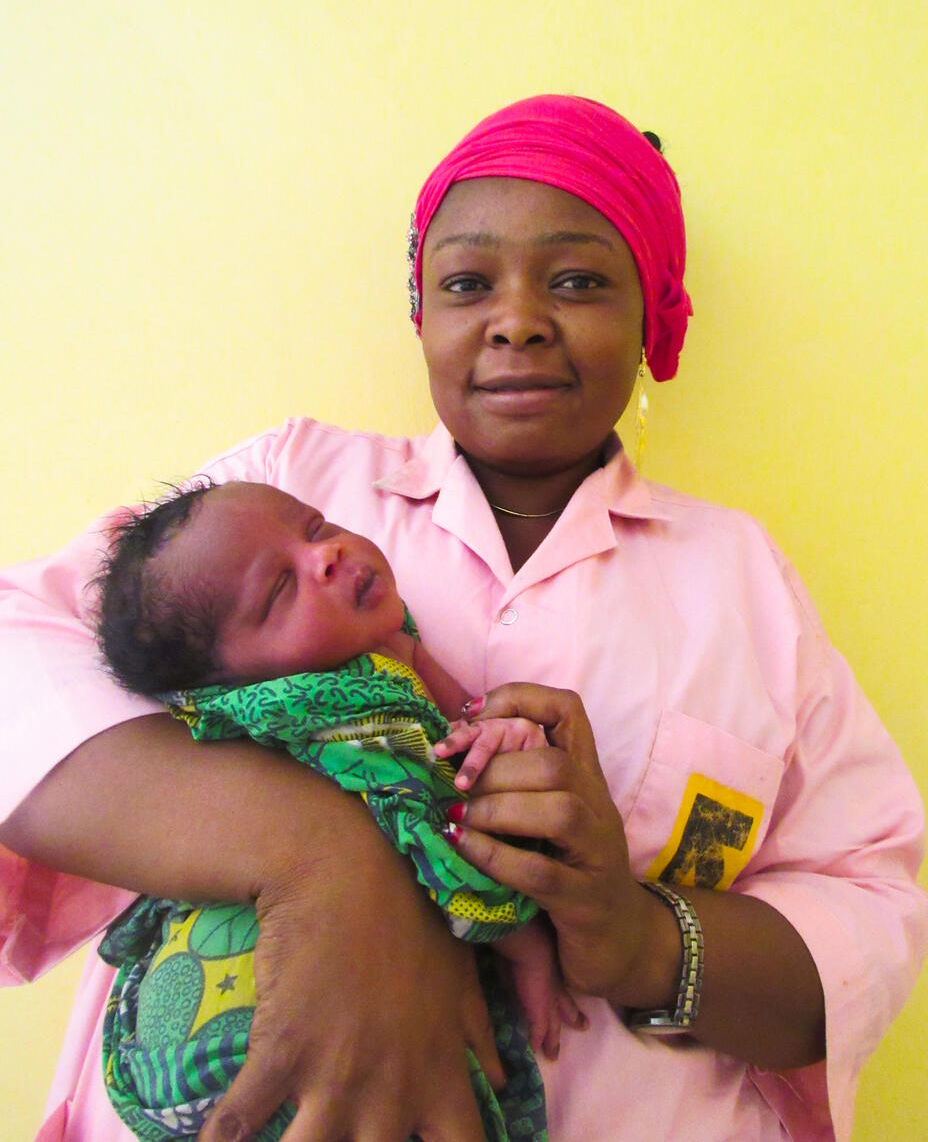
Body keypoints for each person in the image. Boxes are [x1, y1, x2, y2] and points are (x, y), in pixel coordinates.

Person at [0, 94, 925, 1142]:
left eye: (578, 280)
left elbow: (867, 910)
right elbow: (18, 658)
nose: (518, 317)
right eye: (466, 282)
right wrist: (317, 855)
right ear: (420, 315)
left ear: (654, 315)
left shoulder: (742, 580)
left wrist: (634, 937)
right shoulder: (282, 486)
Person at [93, 479, 581, 1142]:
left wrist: (498, 736)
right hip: (242, 1015)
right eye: (278, 591)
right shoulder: (301, 711)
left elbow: (459, 733)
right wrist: (527, 946)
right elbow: (444, 830)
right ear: (232, 681)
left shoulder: (393, 645)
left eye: (317, 527)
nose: (324, 557)